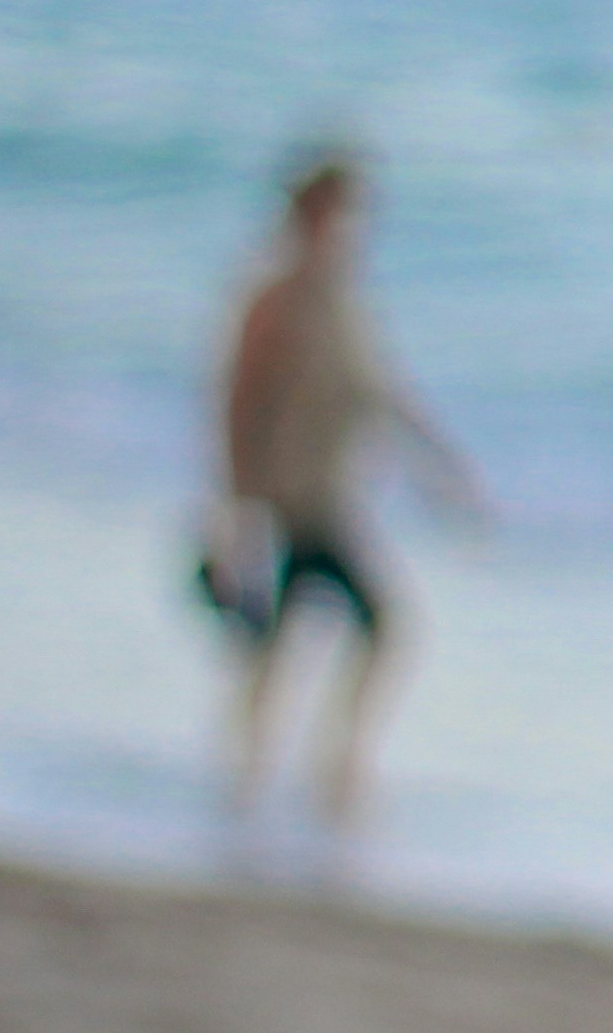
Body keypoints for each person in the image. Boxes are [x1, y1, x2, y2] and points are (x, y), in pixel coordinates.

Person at [198, 147, 485, 826]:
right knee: (360, 627)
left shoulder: (341, 299)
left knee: (295, 634)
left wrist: (441, 470)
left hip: (327, 492)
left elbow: (380, 395)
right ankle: (301, 765)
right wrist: (237, 501)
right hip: (291, 497)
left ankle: (272, 766)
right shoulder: (278, 298)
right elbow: (239, 400)